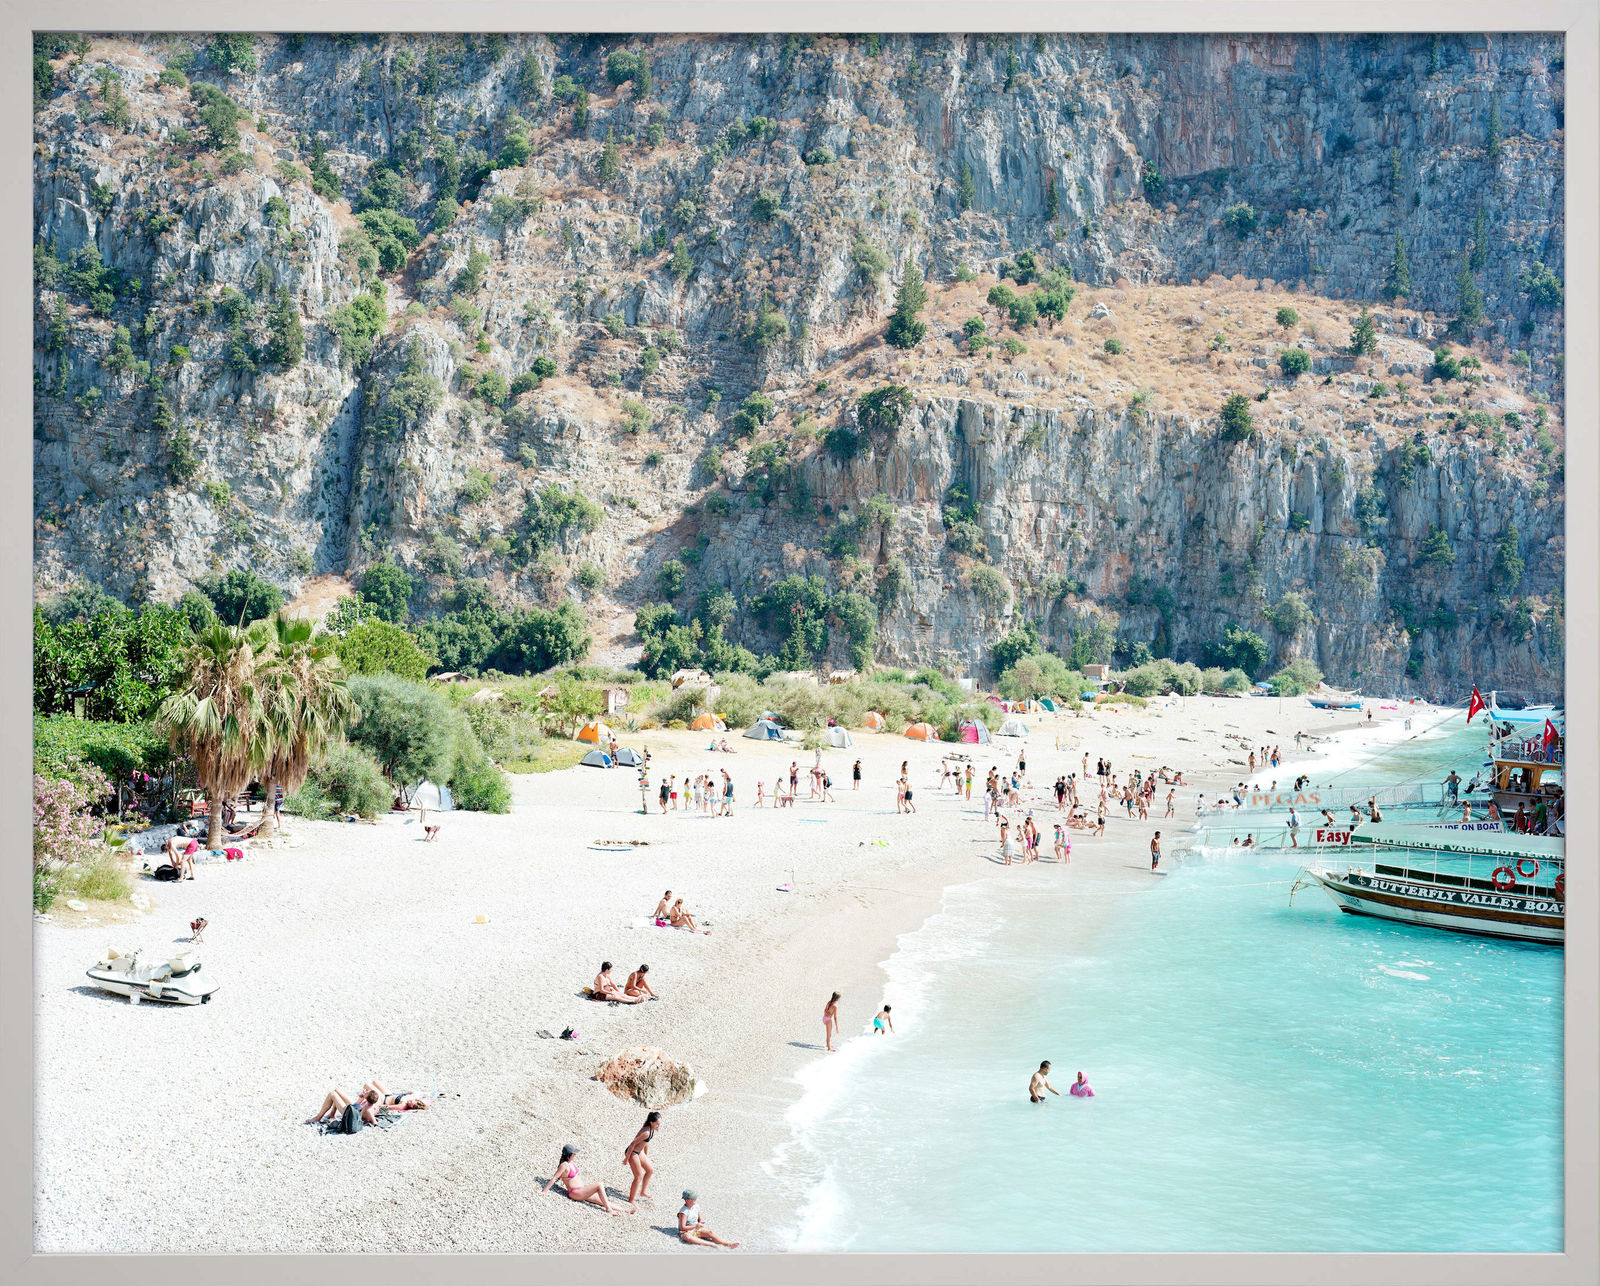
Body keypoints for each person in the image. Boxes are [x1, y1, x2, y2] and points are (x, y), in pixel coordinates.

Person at [544, 1144, 630, 1215]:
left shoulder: (570, 1163)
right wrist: (544, 1192)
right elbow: (554, 1178)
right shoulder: (564, 1165)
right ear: (568, 1154)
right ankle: (608, 1210)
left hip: (582, 1190)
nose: (575, 1155)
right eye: (573, 1154)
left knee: (602, 1200)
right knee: (599, 1185)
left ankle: (624, 1210)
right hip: (575, 1193)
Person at [624, 1112, 659, 1205]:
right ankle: (631, 1199)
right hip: (632, 1152)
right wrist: (626, 1159)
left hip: (639, 1152)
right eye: (657, 1124)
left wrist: (646, 1156)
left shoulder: (652, 1130)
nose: (658, 1125)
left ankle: (642, 1192)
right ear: (651, 1122)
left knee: (650, 1170)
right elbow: (632, 1144)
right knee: (638, 1176)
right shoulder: (646, 1132)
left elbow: (646, 1143)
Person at [305, 1086, 380, 1126]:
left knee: (332, 1095)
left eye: (367, 1092)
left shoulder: (368, 1110)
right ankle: (332, 1115)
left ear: (368, 1097)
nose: (366, 1091)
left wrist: (365, 1122)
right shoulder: (368, 1102)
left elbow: (374, 1122)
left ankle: (318, 1117)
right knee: (337, 1090)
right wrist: (361, 1098)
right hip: (354, 1109)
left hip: (350, 1115)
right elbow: (357, 1105)